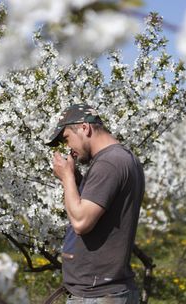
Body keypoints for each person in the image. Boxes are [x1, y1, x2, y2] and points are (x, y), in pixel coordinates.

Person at [46, 104, 145, 304]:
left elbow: (82, 222)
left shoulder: (109, 163)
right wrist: (75, 178)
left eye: (66, 138)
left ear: (84, 128)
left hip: (98, 295)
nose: (68, 148)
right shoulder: (121, 158)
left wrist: (67, 179)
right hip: (102, 291)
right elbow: (101, 206)